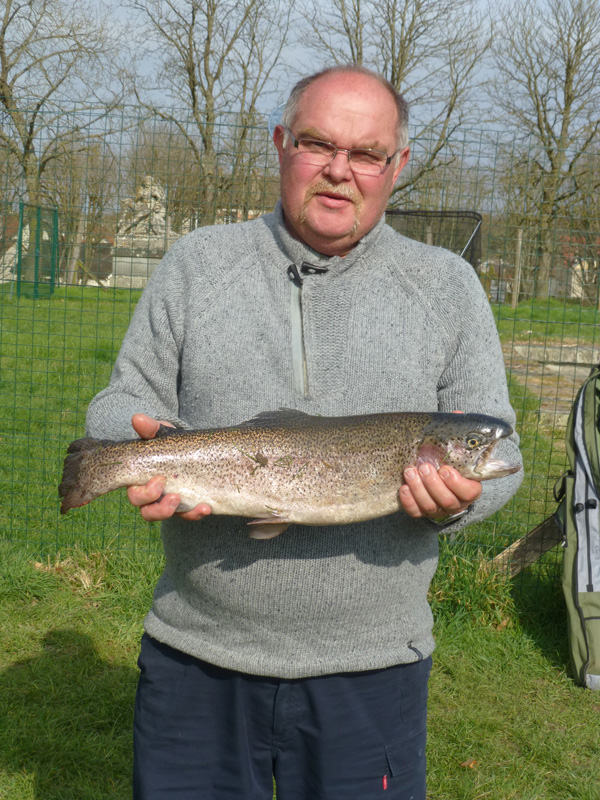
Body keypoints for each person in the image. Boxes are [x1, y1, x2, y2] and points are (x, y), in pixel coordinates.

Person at [86, 65, 522, 800]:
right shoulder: (198, 264)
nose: (339, 171)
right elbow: (120, 399)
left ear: (397, 167)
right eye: (318, 144)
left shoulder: (448, 286)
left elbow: (497, 445)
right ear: (282, 143)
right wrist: (143, 447)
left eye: (366, 154)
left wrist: (459, 502)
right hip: (198, 658)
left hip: (374, 671)